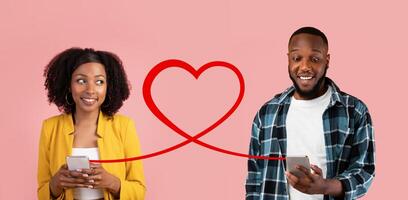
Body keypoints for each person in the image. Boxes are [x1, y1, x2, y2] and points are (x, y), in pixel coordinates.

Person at [245, 27, 375, 200]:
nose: (305, 67)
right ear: (288, 60)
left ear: (327, 60)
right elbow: (254, 178)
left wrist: (326, 186)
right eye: (297, 58)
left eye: (315, 58)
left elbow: (364, 172)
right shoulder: (266, 113)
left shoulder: (355, 111)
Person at [38, 48, 146, 199]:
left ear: (108, 87)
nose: (90, 89)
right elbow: (41, 192)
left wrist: (111, 182)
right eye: (81, 81)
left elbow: (139, 191)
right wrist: (55, 184)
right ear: (69, 85)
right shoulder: (50, 128)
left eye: (99, 81)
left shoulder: (124, 126)